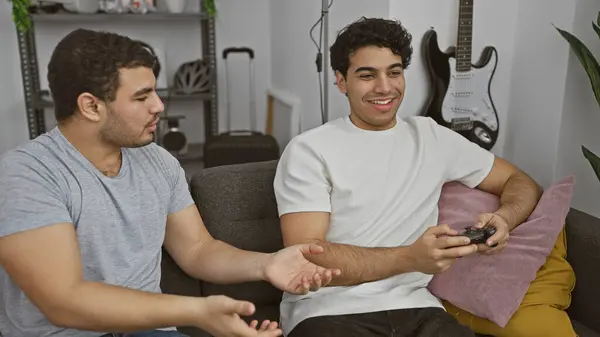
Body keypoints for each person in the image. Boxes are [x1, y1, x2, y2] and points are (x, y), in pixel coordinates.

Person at [0, 29, 342, 337]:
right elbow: (64, 300)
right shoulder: (27, 174)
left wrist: (266, 264)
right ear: (91, 106)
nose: (159, 106)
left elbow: (197, 250)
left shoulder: (159, 162)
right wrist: (198, 311)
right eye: (141, 96)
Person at [273, 17, 543, 337]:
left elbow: (521, 182)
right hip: (328, 310)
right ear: (341, 81)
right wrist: (410, 258)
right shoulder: (309, 150)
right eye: (367, 75)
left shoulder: (432, 137)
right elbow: (306, 259)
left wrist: (505, 218)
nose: (385, 87)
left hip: (419, 309)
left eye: (394, 72)